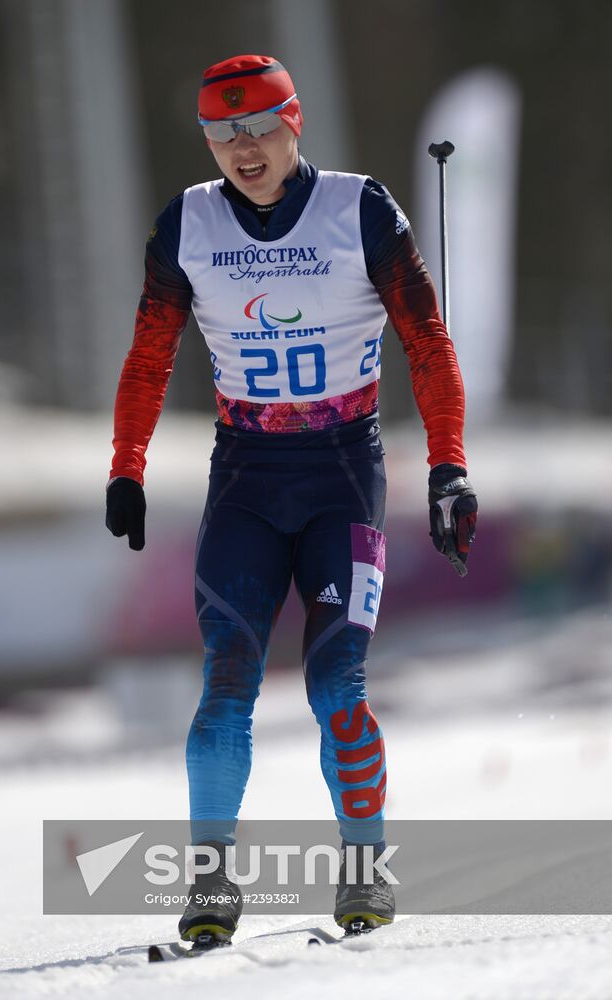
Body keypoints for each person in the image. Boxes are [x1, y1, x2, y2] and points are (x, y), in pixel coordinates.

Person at [106, 54, 478, 944]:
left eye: (259, 127)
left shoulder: (360, 208)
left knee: (336, 688)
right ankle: (210, 886)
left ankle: (364, 874)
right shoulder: (187, 224)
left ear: (295, 120)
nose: (243, 148)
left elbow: (426, 340)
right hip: (244, 478)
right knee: (223, 688)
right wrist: (126, 465)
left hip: (343, 476)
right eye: (222, 134)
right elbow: (150, 355)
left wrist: (449, 468)